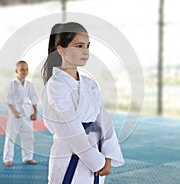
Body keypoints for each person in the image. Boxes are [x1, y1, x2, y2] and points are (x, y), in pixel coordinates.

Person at [41, 22, 125, 184]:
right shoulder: (56, 85)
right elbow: (70, 127)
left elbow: (104, 121)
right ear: (61, 50)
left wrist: (108, 155)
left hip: (95, 151)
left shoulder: (90, 84)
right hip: (69, 154)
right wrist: (97, 162)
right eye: (79, 46)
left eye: (87, 46)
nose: (86, 51)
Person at [3, 60, 38, 166]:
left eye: (26, 69)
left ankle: (28, 157)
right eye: (22, 69)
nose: (24, 71)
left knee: (29, 137)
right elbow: (8, 100)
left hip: (27, 114)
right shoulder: (12, 84)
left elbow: (34, 100)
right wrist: (14, 111)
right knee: (11, 137)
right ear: (16, 71)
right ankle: (8, 158)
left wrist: (35, 112)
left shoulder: (29, 85)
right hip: (15, 114)